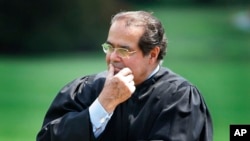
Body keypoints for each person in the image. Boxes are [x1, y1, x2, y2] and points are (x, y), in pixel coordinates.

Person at [36, 11, 213, 141]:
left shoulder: (179, 98)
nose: (113, 57)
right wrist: (102, 106)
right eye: (110, 47)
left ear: (152, 54)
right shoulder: (85, 89)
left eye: (124, 50)